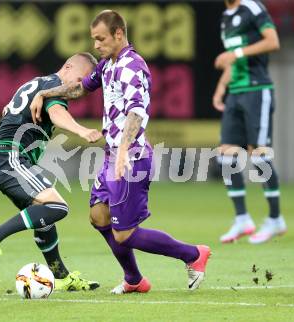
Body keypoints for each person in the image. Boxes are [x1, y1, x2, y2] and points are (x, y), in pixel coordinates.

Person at [30, 10, 211, 294]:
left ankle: (193, 254)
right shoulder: (107, 65)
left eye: (100, 39)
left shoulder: (132, 66)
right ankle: (135, 280)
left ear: (118, 34)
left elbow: (137, 112)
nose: (96, 45)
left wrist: (124, 151)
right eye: (93, 40)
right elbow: (81, 88)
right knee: (99, 217)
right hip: (112, 156)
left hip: (132, 157)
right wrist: (45, 94)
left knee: (124, 233)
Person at [0, 53, 102, 291]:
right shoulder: (54, 85)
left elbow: (8, 112)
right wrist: (81, 130)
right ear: (68, 67)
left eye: (84, 87)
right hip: (11, 158)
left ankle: (60, 276)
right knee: (57, 207)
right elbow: (56, 114)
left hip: (5, 158)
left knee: (43, 217)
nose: (79, 89)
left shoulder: (37, 83)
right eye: (79, 80)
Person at [213, 0, 286, 244]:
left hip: (258, 89)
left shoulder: (252, 8)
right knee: (226, 155)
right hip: (236, 91)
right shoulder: (226, 17)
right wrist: (222, 86)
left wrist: (236, 53)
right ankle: (242, 218)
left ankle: (275, 218)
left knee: (259, 155)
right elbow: (234, 62)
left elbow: (272, 41)